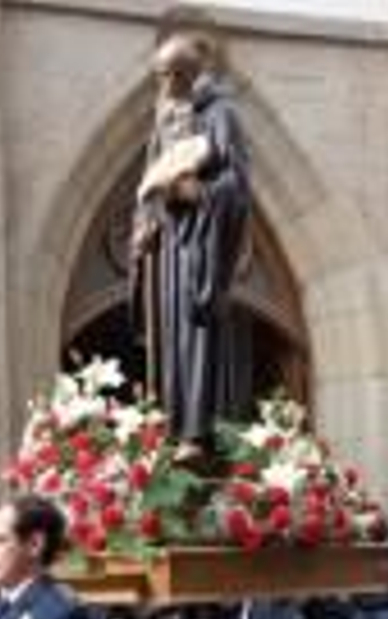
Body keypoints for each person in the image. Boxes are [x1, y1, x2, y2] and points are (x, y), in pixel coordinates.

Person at [131, 31, 251, 458]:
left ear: (187, 73)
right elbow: (149, 181)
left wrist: (198, 194)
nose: (162, 85)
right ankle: (169, 425)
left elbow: (237, 184)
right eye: (159, 76)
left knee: (194, 334)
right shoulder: (165, 117)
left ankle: (196, 431)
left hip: (200, 248)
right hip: (168, 249)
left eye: (168, 75)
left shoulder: (220, 113)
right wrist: (145, 225)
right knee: (169, 339)